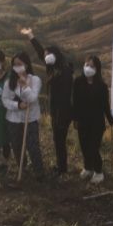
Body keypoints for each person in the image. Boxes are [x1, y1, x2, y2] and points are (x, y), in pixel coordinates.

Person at [20, 28, 73, 176]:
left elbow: (68, 94)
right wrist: (31, 36)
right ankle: (61, 166)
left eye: (49, 54)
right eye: (46, 55)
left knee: (60, 139)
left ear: (56, 54)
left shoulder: (66, 70)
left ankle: (62, 168)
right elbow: (39, 51)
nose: (47, 56)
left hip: (64, 111)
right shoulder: (51, 68)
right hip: (54, 110)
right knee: (57, 139)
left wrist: (66, 113)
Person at [2, 51, 45, 181]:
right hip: (13, 119)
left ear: (26, 64)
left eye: (19, 64)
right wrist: (18, 105)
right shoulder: (9, 82)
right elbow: (5, 100)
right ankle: (23, 168)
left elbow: (32, 98)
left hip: (30, 119)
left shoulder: (35, 80)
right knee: (17, 146)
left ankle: (39, 171)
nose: (17, 67)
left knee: (33, 146)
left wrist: (25, 86)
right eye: (14, 65)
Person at [73, 55, 113, 184]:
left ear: (97, 69)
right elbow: (75, 101)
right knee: (84, 146)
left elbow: (105, 106)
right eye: (87, 65)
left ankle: (98, 171)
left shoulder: (102, 86)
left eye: (92, 66)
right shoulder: (78, 82)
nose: (88, 68)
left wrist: (111, 120)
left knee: (93, 148)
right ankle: (88, 168)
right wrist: (75, 119)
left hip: (97, 123)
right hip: (82, 121)